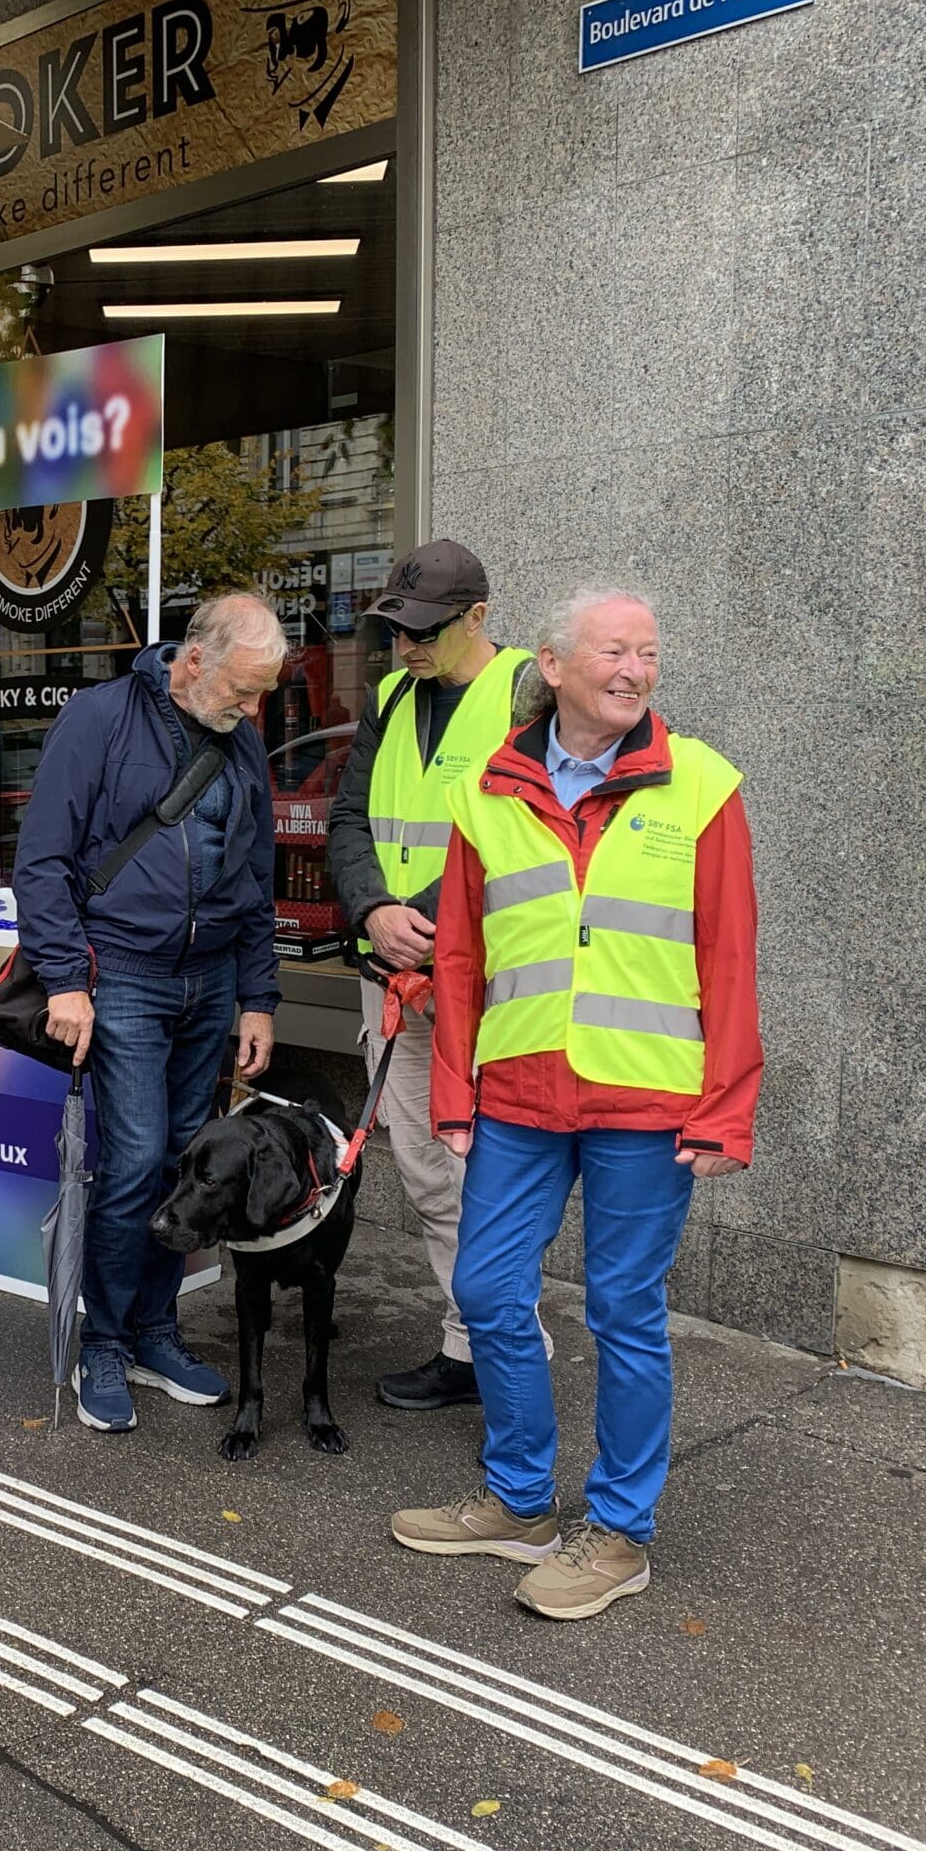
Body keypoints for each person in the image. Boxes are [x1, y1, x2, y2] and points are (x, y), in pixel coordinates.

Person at [392, 589, 760, 1621]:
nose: (634, 670)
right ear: (550, 664)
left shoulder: (700, 786)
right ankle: (519, 1504)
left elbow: (729, 957)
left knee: (622, 1312)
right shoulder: (488, 792)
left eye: (648, 653)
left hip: (646, 1101)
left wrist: (725, 1109)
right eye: (613, 651)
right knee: (489, 1287)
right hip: (516, 1091)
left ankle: (620, 1534)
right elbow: (458, 956)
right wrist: (454, 1091)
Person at [13, 593, 286, 1436]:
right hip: (122, 975)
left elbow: (252, 881)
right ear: (194, 660)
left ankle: (155, 1332)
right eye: (245, 692)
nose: (254, 712)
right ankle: (104, 1339)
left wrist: (259, 996)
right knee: (132, 1163)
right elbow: (44, 860)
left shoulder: (241, 740)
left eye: (264, 695)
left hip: (208, 983)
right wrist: (65, 980)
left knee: (184, 1165)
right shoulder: (100, 718)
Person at [327, 540, 546, 1414]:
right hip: (397, 968)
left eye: (425, 631)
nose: (407, 648)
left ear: (480, 618)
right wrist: (373, 912)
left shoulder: (531, 690)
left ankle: (510, 1356)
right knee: (422, 1164)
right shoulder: (390, 696)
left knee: (489, 1172)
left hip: (487, 976)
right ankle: (467, 1348)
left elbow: (527, 827)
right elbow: (350, 818)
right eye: (396, 631)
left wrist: (418, 919)